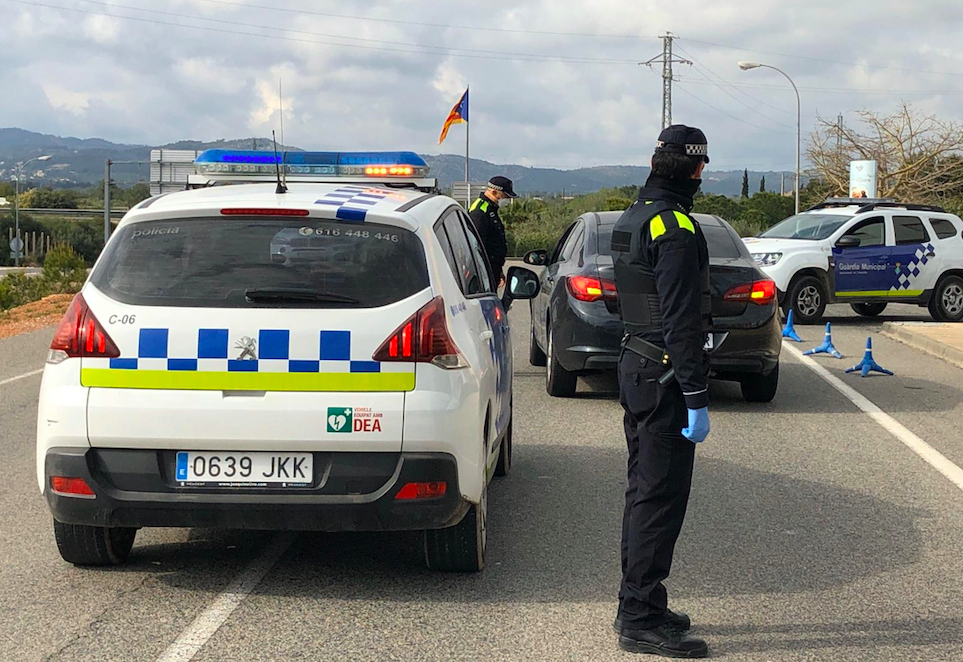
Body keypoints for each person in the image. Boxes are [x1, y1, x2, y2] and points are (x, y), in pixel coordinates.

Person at [609, 125, 713, 658]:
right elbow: (681, 320)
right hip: (665, 375)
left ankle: (643, 601)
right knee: (659, 500)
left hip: (637, 364)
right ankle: (639, 618)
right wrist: (696, 395)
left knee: (643, 493)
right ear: (697, 169)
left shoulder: (634, 215)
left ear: (655, 163)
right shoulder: (675, 226)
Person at [469, 176, 516, 285]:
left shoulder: (491, 208)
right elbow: (477, 247)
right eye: (505, 196)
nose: (507, 200)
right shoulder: (479, 212)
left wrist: (499, 271)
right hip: (485, 270)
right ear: (494, 192)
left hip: (493, 268)